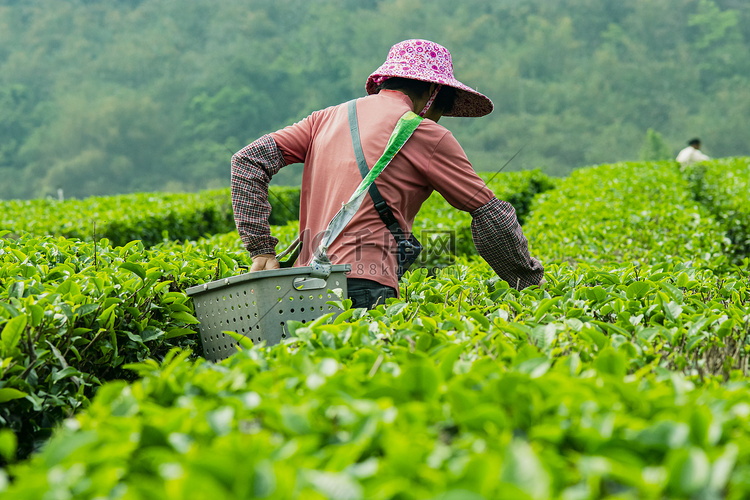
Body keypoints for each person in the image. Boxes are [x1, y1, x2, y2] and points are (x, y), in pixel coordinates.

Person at [231, 39, 544, 309]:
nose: (439, 119)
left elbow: (247, 161)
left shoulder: (323, 119)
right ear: (433, 93)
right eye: (443, 109)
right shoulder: (427, 134)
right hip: (365, 285)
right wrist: (529, 284)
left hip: (305, 286)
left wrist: (261, 248)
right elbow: (490, 214)